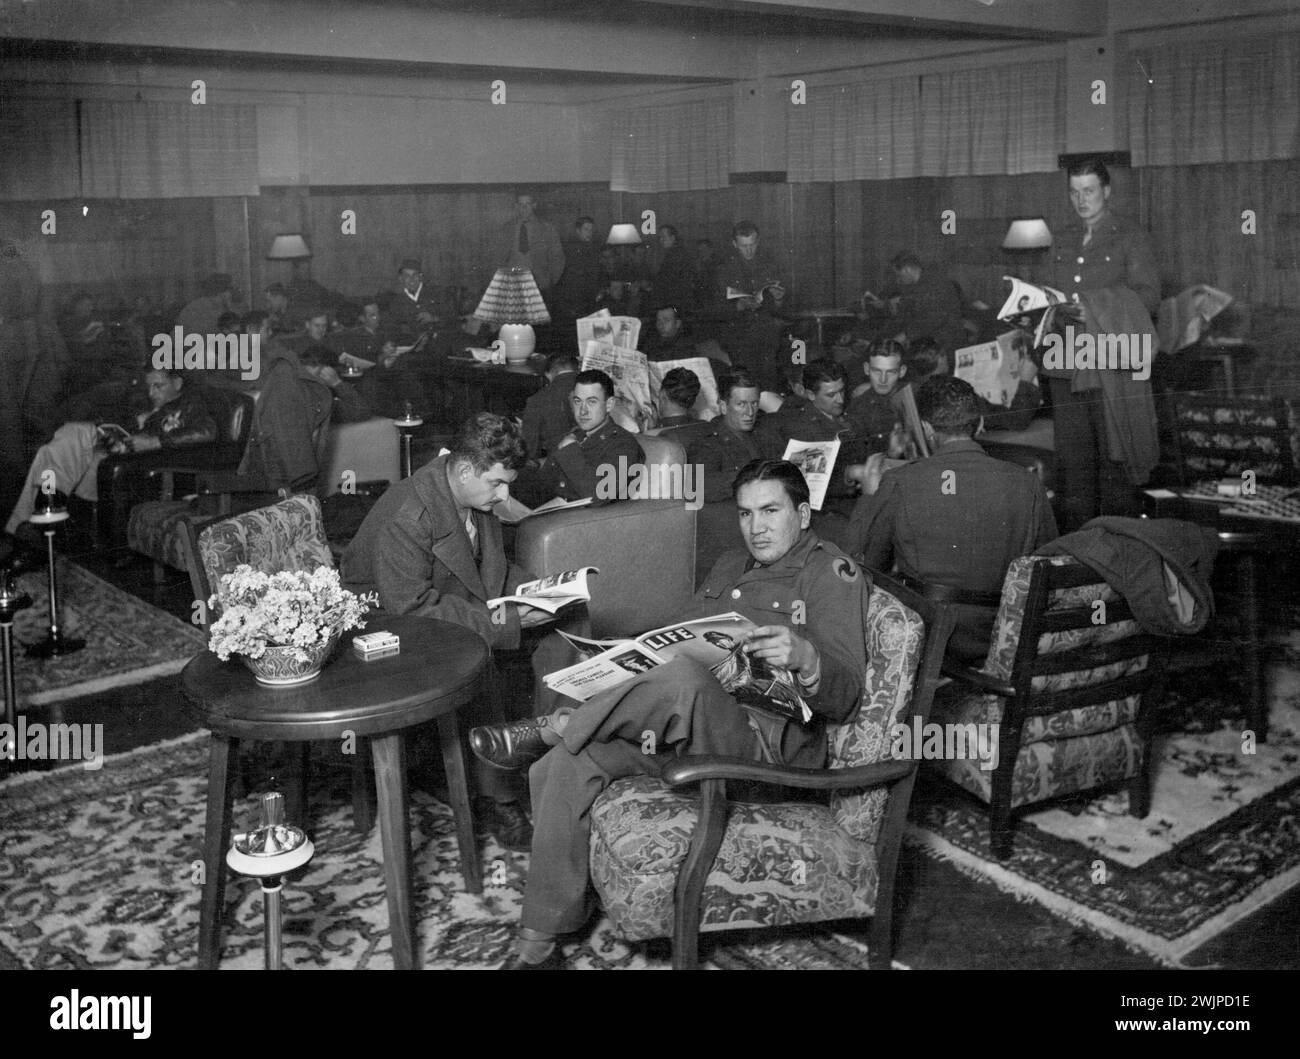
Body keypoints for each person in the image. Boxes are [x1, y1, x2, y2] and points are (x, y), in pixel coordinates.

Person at [468, 458, 870, 968]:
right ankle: (538, 943)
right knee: (573, 759)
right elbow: (676, 636)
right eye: (746, 514)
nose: (756, 527)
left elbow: (848, 693)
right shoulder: (730, 565)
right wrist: (623, 654)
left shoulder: (830, 573)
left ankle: (555, 725)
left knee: (680, 681)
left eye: (771, 511)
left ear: (804, 513)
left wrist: (809, 659)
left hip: (769, 753)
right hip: (690, 730)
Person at [340, 413, 550, 851]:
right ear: (466, 469)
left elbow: (486, 569)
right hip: (384, 628)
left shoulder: (472, 495)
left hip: (441, 605)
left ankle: (548, 757)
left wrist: (543, 591)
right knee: (482, 660)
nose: (505, 493)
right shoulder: (409, 511)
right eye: (497, 483)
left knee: (564, 631)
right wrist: (506, 621)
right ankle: (499, 795)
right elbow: (412, 608)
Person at [848, 375, 1057, 661]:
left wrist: (869, 497)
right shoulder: (1028, 484)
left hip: (927, 639)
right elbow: (1046, 569)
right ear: (980, 423)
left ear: (926, 428)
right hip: (1003, 635)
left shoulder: (900, 481)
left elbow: (862, 567)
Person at [1042, 157, 1161, 530]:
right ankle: (1076, 556)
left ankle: (1117, 555)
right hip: (1065, 361)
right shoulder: (1060, 237)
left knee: (1114, 461)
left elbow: (1149, 297)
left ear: (1106, 191)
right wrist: (1052, 308)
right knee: (1073, 466)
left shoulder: (1130, 235)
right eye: (1074, 192)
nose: (1081, 200)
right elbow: (1048, 293)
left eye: (1089, 191)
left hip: (1111, 363)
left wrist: (1093, 307)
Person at [5, 365, 216, 536]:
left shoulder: (191, 404)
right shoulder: (149, 406)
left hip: (142, 472)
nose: (151, 393)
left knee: (74, 433)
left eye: (158, 386)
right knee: (50, 452)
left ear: (177, 383)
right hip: (112, 464)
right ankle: (40, 512)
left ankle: (30, 520)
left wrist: (157, 441)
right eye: (149, 387)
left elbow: (207, 431)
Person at [236, 338, 369, 497]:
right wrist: (337, 383)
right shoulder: (309, 393)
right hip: (288, 482)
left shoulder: (283, 378)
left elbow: (360, 411)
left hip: (265, 478)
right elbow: (361, 411)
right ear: (324, 370)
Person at [758, 359, 869, 549]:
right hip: (826, 516)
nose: (840, 399)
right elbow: (810, 487)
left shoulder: (852, 421)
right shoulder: (801, 429)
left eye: (842, 391)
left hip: (855, 505)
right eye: (831, 395)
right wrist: (849, 474)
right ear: (810, 394)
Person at [513, 369, 644, 505]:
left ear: (609, 404)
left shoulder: (623, 445)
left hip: (585, 521)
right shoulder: (577, 434)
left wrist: (569, 451)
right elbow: (544, 483)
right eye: (578, 401)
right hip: (549, 512)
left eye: (591, 402)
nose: (583, 411)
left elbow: (599, 495)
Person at [715, 222, 789, 393]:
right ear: (734, 244)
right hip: (739, 340)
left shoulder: (770, 266)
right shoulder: (724, 270)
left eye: (752, 245)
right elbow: (714, 311)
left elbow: (781, 311)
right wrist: (738, 306)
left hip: (767, 339)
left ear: (758, 241)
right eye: (743, 246)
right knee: (746, 388)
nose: (749, 250)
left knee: (769, 388)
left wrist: (779, 300)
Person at [865, 252, 965, 353]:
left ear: (906, 270)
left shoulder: (935, 285)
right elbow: (903, 313)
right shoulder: (916, 285)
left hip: (944, 347)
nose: (898, 280)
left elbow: (930, 321)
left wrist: (901, 337)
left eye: (898, 275)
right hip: (929, 342)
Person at [502, 192, 566, 305]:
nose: (524, 208)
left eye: (528, 204)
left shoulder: (547, 228)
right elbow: (498, 258)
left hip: (540, 285)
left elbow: (558, 258)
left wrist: (549, 281)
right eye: (521, 204)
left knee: (540, 322)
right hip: (514, 285)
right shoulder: (507, 228)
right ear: (516, 206)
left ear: (534, 205)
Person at [519, 354, 579, 463]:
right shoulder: (600, 390)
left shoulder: (537, 400)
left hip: (560, 465)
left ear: (548, 375)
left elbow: (530, 449)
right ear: (578, 369)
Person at [387, 258, 441, 343]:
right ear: (401, 279)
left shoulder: (436, 293)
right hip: (414, 348)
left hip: (440, 344)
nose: (411, 279)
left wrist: (433, 319)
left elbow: (453, 320)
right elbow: (394, 330)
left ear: (420, 276)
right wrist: (414, 338)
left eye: (415, 275)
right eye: (407, 276)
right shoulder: (396, 303)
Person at [651, 367, 708, 439]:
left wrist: (653, 429)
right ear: (692, 400)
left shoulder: (653, 436)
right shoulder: (706, 426)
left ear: (663, 396)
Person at [650, 225, 692, 314]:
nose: (661, 240)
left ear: (673, 238)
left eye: (663, 237)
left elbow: (669, 280)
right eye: (660, 237)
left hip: (675, 301)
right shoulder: (675, 253)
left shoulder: (676, 256)